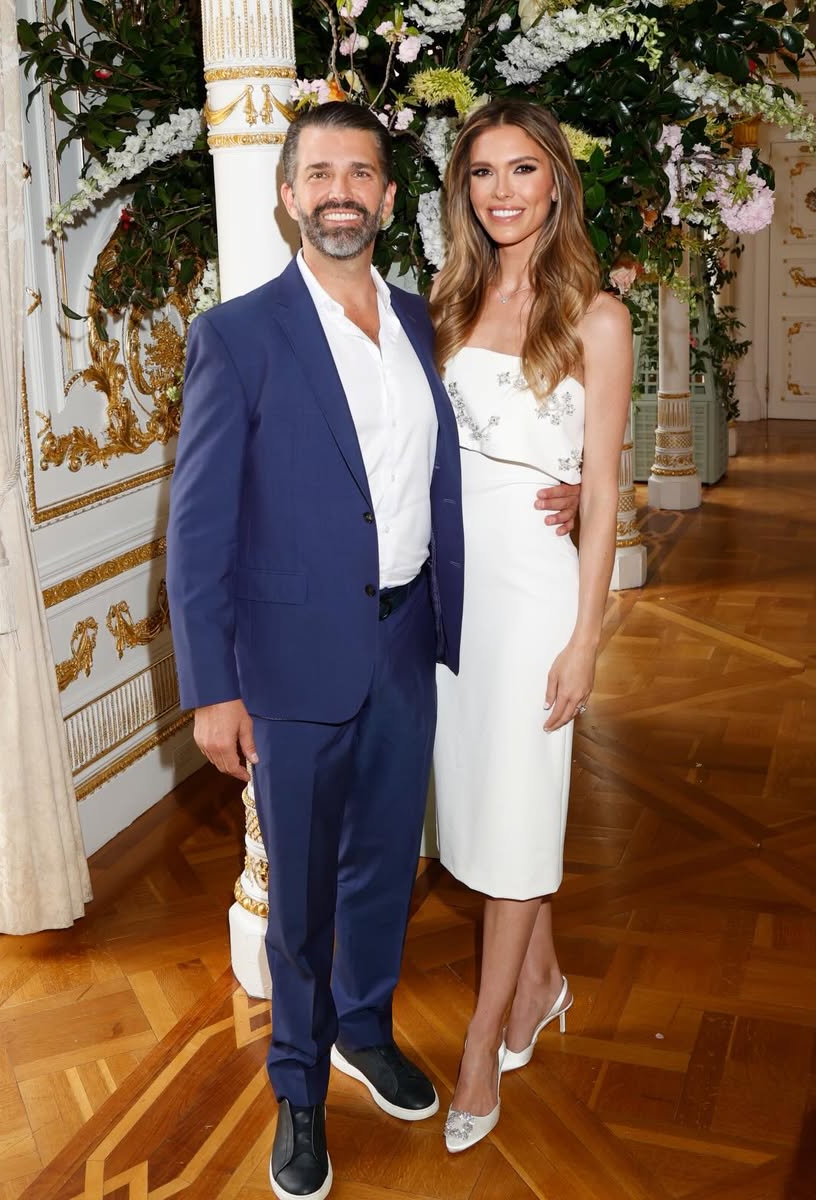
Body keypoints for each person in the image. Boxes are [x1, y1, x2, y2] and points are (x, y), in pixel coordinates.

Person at [166, 101, 580, 1200]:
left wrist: (581, 485)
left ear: (390, 199)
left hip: (409, 642)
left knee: (383, 870)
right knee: (297, 896)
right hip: (291, 662)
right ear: (289, 196)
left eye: (363, 172)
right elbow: (197, 529)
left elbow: (496, 437)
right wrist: (214, 691)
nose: (341, 190)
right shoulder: (238, 334)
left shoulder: (422, 318)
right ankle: (299, 1092)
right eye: (320, 173)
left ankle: (366, 1027)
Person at [429, 99, 632, 1153]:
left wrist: (586, 639)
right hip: (455, 590)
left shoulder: (597, 315)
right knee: (488, 807)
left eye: (522, 170)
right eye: (482, 174)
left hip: (536, 593)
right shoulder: (448, 300)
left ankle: (482, 1043)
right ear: (463, 190)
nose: (502, 192)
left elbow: (600, 492)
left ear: (557, 182)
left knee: (514, 811)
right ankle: (543, 979)